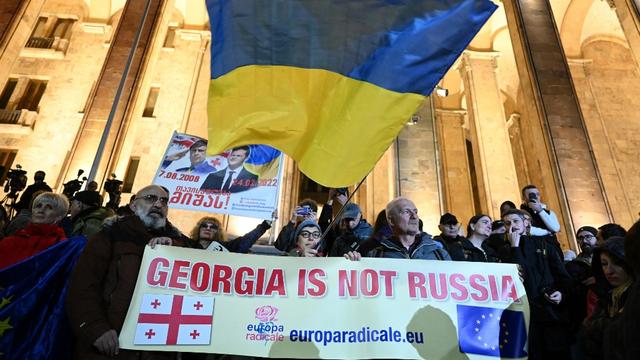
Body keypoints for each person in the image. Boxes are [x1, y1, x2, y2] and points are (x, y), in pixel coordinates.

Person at [66, 185, 189, 359]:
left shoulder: (178, 242)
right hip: (110, 345)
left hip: (155, 349)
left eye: (164, 201)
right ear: (133, 205)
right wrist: (95, 329)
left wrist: (175, 249)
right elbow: (83, 285)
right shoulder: (110, 234)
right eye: (150, 198)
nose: (158, 204)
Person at [502, 208, 571, 359]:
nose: (512, 226)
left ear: (526, 222)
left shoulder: (544, 245)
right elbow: (518, 275)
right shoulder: (504, 251)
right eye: (507, 223)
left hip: (551, 313)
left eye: (515, 221)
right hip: (525, 315)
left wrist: (561, 293)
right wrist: (514, 247)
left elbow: (563, 277)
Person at [581, 237, 634, 360]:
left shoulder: (634, 296)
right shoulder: (605, 297)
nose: (608, 271)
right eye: (604, 264)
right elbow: (588, 339)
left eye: (617, 263)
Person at [364, 197, 450, 260]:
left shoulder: (440, 255)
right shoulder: (376, 256)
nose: (414, 216)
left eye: (415, 212)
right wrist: (354, 262)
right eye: (406, 212)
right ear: (391, 221)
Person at [0, 192, 68, 269]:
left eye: (49, 207)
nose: (41, 210)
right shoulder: (10, 241)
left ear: (59, 216)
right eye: (38, 206)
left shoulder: (61, 245)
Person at [189, 216, 272, 253]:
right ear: (198, 229)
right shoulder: (188, 245)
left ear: (218, 232)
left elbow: (245, 241)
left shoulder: (226, 247)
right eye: (204, 226)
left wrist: (264, 225)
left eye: (213, 227)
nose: (208, 228)